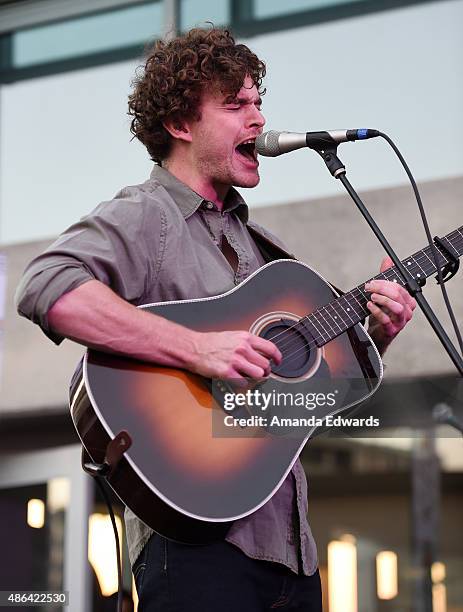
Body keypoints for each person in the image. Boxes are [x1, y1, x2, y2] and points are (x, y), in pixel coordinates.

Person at [15, 27, 415, 611]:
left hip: (292, 554)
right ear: (181, 124)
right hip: (196, 550)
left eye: (259, 103)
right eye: (236, 105)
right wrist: (194, 349)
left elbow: (308, 384)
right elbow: (46, 286)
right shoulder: (146, 215)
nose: (257, 119)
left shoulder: (265, 250)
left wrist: (377, 329)